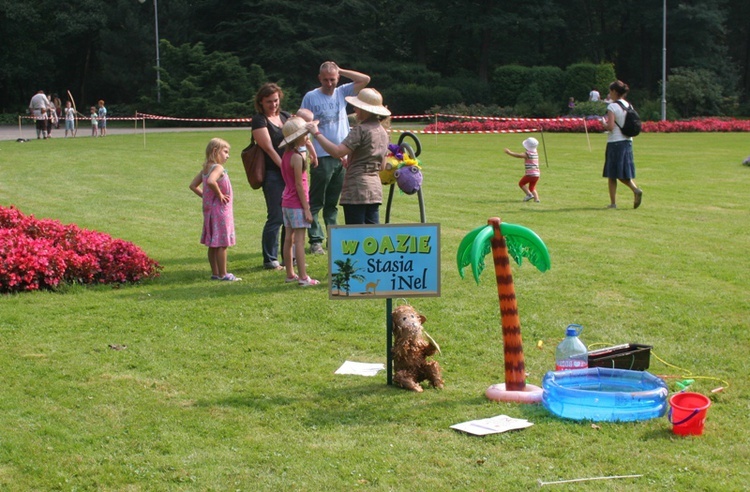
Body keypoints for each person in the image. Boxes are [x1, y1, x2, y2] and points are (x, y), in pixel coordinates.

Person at [300, 62, 371, 254]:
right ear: (319, 78)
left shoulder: (342, 91)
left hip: (342, 156)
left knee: (333, 202)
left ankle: (333, 238)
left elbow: (365, 79)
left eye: (333, 79)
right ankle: (315, 240)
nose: (329, 83)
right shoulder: (311, 97)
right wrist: (308, 152)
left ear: (337, 78)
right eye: (325, 79)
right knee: (316, 201)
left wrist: (341, 70)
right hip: (322, 156)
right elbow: (303, 125)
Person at [305, 88, 390, 225]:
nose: (355, 110)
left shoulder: (360, 130)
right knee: (374, 237)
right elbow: (382, 166)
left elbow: (338, 152)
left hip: (356, 189)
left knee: (355, 237)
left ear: (365, 109)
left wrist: (316, 133)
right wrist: (353, 161)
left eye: (357, 106)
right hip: (374, 190)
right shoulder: (383, 132)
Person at [189, 138, 240, 281]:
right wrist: (219, 195)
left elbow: (193, 185)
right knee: (222, 243)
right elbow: (211, 181)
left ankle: (215, 273)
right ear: (215, 151)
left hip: (210, 210)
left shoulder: (205, 167)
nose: (228, 155)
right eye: (225, 152)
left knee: (213, 243)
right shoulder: (217, 168)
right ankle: (224, 274)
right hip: (221, 211)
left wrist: (206, 197)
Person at [252, 82, 292, 270]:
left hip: (290, 173)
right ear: (261, 102)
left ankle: (288, 257)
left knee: (290, 217)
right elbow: (268, 148)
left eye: (275, 100)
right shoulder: (260, 120)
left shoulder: (285, 117)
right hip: (273, 174)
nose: (273, 105)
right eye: (269, 102)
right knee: (276, 216)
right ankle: (270, 258)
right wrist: (284, 167)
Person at [278, 117, 320, 287]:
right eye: (305, 134)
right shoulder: (296, 157)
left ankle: (290, 274)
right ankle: (303, 277)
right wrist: (307, 209)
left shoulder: (286, 155)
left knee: (289, 238)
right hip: (296, 204)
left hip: (286, 202)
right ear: (297, 137)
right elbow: (299, 185)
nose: (307, 136)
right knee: (300, 242)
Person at [601, 80, 643, 209]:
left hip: (615, 142)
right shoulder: (628, 105)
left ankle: (617, 200)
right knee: (623, 171)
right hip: (628, 141)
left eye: (610, 91)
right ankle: (632, 191)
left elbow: (611, 126)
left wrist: (603, 123)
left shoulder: (612, 107)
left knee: (612, 173)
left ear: (614, 92)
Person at [503, 137, 541, 203]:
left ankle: (529, 195)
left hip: (530, 174)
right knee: (532, 187)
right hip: (537, 174)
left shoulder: (528, 154)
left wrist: (509, 152)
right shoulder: (535, 153)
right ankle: (536, 199)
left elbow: (519, 155)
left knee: (521, 183)